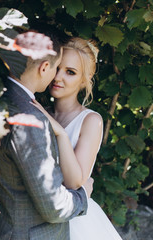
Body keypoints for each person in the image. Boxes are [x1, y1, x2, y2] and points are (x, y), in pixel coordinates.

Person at [0, 30, 93, 240]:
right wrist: (84, 195)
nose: (57, 77)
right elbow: (55, 208)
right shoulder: (30, 120)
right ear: (44, 68)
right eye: (56, 68)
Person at [32, 37, 122, 239]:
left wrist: (61, 133)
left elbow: (74, 183)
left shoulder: (91, 120)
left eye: (70, 72)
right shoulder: (40, 112)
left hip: (75, 221)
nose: (58, 77)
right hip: (38, 215)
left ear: (85, 79)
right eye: (58, 68)